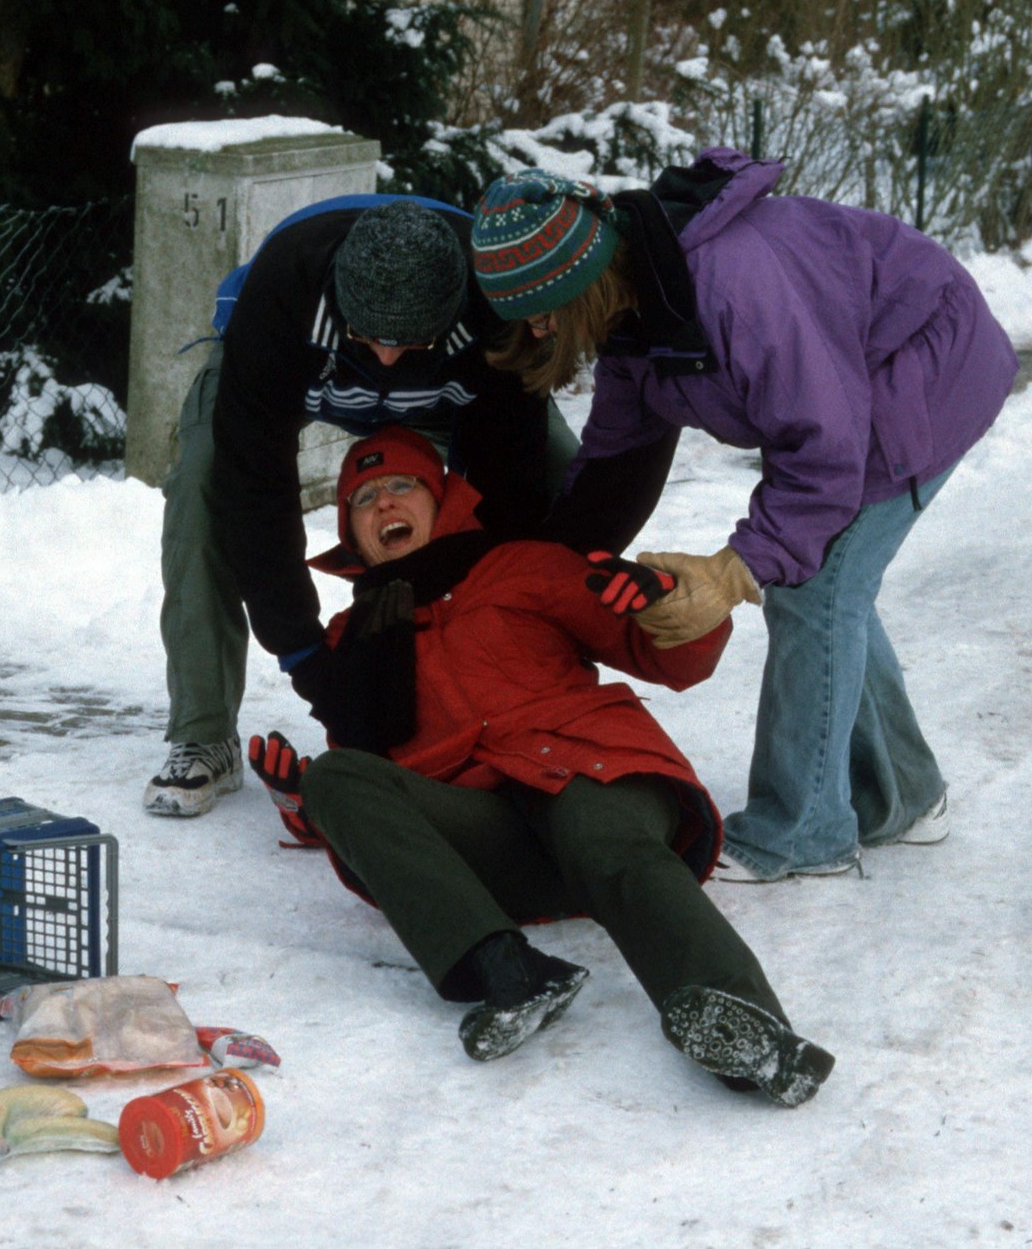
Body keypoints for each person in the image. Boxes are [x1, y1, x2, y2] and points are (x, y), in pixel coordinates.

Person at [466, 152, 1019, 881]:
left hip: (923, 370)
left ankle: (803, 832)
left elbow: (825, 445)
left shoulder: (733, 289)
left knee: (814, 591)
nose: (536, 331)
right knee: (832, 587)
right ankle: (908, 795)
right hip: (851, 389)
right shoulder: (638, 302)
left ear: (577, 285)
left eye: (539, 313)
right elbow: (617, 454)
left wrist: (734, 572)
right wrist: (552, 564)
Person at [249, 425, 834, 1106]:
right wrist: (305, 803)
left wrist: (665, 603)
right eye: (363, 498)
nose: (384, 505)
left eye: (401, 484)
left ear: (440, 498)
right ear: (352, 531)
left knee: (593, 826)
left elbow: (670, 657)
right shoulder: (355, 637)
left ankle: (752, 1035)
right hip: (493, 837)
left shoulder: (522, 564)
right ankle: (508, 970)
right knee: (335, 777)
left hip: (591, 772)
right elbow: (380, 798)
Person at [145, 196, 580, 817]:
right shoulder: (280, 295)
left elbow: (503, 495)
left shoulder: (495, 309)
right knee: (201, 486)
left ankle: (532, 696)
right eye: (368, 337)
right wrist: (304, 654)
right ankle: (202, 731)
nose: (386, 359)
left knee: (560, 474)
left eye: (406, 341)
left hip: (452, 380)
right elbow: (254, 490)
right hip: (303, 363)